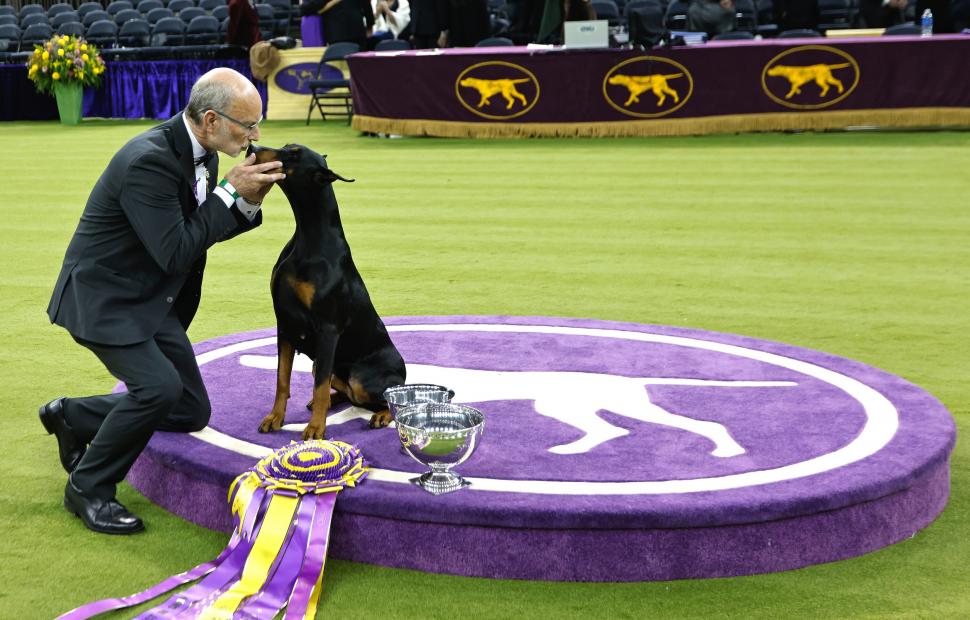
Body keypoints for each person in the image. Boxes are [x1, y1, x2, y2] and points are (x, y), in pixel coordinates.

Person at [40, 68, 285, 535]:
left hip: (150, 298)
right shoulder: (147, 161)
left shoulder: (204, 150)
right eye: (247, 125)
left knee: (189, 410)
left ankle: (71, 416)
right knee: (157, 390)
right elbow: (175, 249)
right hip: (104, 298)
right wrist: (230, 193)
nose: (256, 136)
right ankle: (88, 487)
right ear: (211, 119)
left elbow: (196, 233)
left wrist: (243, 201)